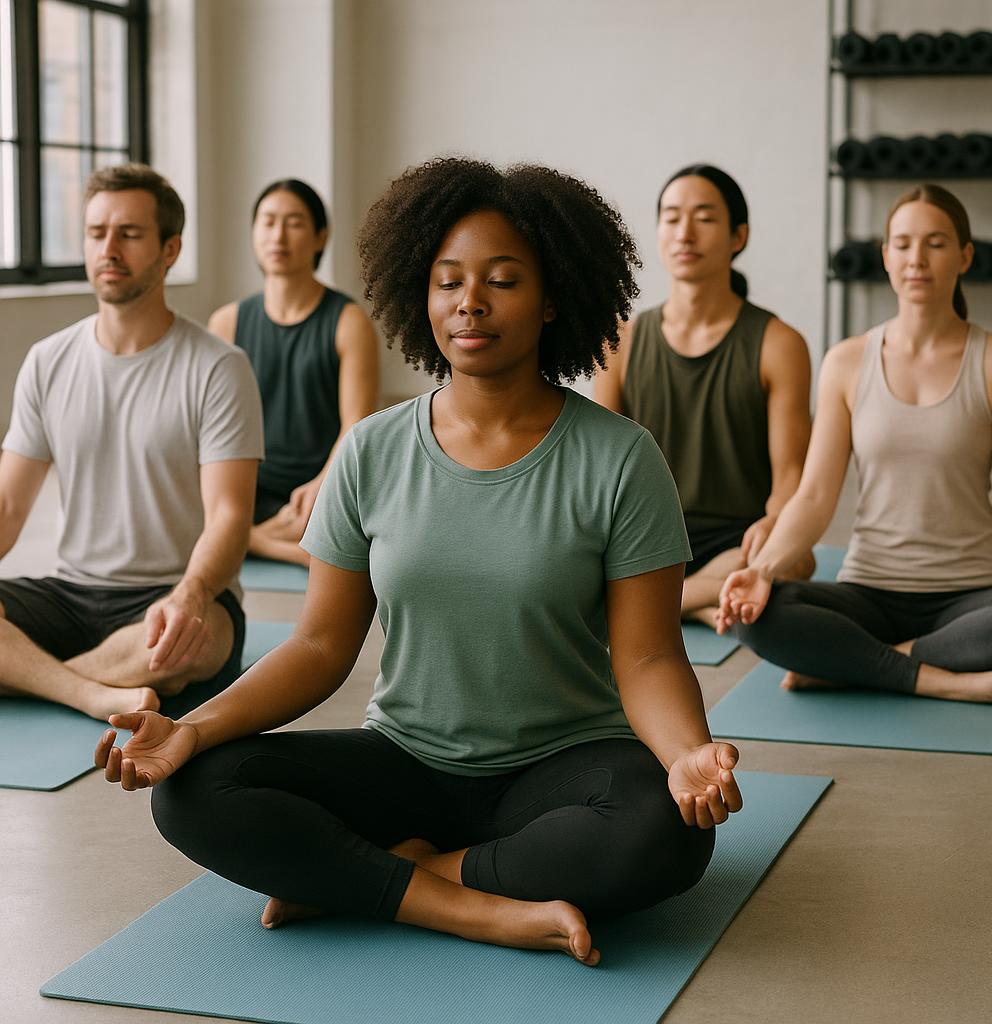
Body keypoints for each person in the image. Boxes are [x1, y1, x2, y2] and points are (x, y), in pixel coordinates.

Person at [96, 158, 743, 966]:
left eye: (502, 280)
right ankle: (475, 909)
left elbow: (647, 655)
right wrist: (188, 730)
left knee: (666, 833)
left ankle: (396, 876)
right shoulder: (371, 449)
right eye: (448, 281)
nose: (470, 301)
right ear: (419, 294)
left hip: (563, 764)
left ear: (552, 299)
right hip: (407, 760)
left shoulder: (619, 458)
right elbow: (318, 648)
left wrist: (686, 755)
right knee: (191, 792)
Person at [717, 184, 992, 713]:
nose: (917, 260)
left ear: (965, 256)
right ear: (885, 256)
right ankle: (955, 680)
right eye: (902, 244)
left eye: (936, 243)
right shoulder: (847, 362)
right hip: (868, 591)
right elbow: (814, 496)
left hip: (970, 595)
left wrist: (842, 659)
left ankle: (849, 666)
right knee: (760, 614)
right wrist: (762, 571)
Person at [0, 164, 264, 721]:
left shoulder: (219, 367)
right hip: (70, 592)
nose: (109, 249)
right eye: (97, 233)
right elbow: (8, 503)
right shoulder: (48, 361)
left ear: (170, 250)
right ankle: (90, 690)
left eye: (130, 234)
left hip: (172, 595)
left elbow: (229, 516)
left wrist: (191, 594)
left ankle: (34, 672)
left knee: (193, 642)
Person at [594, 165, 814, 627]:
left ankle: (669, 604)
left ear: (738, 236)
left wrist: (774, 532)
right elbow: (598, 470)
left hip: (739, 542)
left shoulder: (779, 343)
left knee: (796, 562)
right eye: (672, 218)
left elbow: (790, 477)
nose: (685, 233)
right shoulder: (620, 342)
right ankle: (707, 600)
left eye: (705, 218)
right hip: (647, 537)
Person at [208, 179, 378, 566]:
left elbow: (357, 425)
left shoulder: (348, 321)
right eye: (267, 222)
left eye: (294, 223)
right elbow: (208, 429)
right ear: (253, 234)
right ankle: (278, 546)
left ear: (321, 237)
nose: (278, 235)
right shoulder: (227, 323)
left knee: (357, 519)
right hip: (248, 486)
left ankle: (246, 539)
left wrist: (321, 485)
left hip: (321, 486)